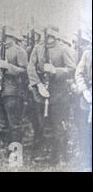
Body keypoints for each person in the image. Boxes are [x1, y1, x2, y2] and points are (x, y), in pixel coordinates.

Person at [27, 26, 76, 164]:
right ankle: (48, 152)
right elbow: (31, 67)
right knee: (44, 124)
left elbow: (72, 69)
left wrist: (55, 70)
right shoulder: (38, 48)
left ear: (55, 36)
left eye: (50, 36)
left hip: (59, 94)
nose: (48, 39)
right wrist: (38, 85)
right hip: (41, 92)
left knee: (58, 125)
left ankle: (59, 155)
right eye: (46, 36)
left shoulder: (63, 49)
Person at [0, 25, 28, 157]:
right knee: (1, 122)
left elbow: (25, 71)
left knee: (14, 124)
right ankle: (5, 147)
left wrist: (8, 67)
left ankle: (15, 154)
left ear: (8, 36)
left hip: (13, 92)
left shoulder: (19, 51)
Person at [73, 29, 92, 170]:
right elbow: (78, 74)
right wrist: (84, 90)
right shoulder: (87, 54)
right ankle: (86, 163)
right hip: (88, 98)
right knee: (86, 132)